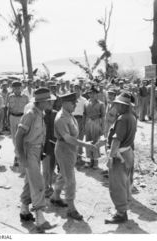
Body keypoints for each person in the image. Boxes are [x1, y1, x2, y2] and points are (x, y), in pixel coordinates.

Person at [50, 92, 97, 221]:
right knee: (70, 180)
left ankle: (55, 197)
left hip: (70, 150)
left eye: (75, 102)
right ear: (65, 103)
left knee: (63, 175)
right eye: (73, 102)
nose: (75, 104)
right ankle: (71, 208)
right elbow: (68, 138)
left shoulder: (69, 115)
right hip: (64, 149)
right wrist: (85, 145)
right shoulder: (61, 118)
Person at [15, 88, 55, 232]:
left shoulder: (40, 114)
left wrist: (42, 151)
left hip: (36, 150)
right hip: (29, 150)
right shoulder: (31, 114)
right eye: (49, 101)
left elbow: (40, 135)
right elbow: (18, 136)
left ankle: (24, 210)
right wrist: (22, 157)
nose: (51, 103)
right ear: (42, 102)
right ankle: (40, 217)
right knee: (38, 182)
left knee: (29, 181)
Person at [103, 91, 137, 224]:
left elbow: (116, 140)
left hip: (120, 155)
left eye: (117, 104)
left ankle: (121, 213)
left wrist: (110, 157)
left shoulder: (123, 119)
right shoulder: (131, 116)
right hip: (127, 153)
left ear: (123, 106)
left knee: (117, 185)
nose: (115, 107)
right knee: (124, 183)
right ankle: (122, 210)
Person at [83, 85, 105, 169]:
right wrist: (83, 126)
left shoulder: (101, 104)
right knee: (88, 141)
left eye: (94, 93)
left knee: (96, 142)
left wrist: (103, 128)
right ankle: (90, 160)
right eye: (90, 93)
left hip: (96, 123)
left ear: (97, 94)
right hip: (88, 123)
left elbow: (103, 116)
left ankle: (96, 161)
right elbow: (84, 114)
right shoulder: (86, 103)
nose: (92, 95)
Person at [7, 81, 29, 167]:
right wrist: (6, 121)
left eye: (18, 87)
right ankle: (18, 154)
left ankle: (17, 156)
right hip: (12, 117)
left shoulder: (25, 97)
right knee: (13, 138)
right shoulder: (10, 97)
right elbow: (8, 109)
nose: (17, 89)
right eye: (15, 88)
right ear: (13, 88)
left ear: (21, 88)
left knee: (21, 138)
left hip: (22, 118)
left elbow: (28, 110)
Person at [42, 91, 57, 198]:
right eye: (47, 102)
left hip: (55, 144)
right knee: (45, 168)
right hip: (43, 145)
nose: (50, 104)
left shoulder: (56, 114)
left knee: (52, 167)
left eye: (51, 102)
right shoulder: (40, 114)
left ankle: (50, 185)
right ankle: (45, 187)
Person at [72, 82, 88, 165]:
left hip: (81, 119)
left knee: (80, 138)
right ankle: (74, 157)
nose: (76, 90)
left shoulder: (84, 100)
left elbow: (85, 112)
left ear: (81, 90)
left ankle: (80, 157)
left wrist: (84, 123)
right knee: (73, 138)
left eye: (78, 89)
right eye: (75, 88)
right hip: (72, 119)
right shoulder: (71, 99)